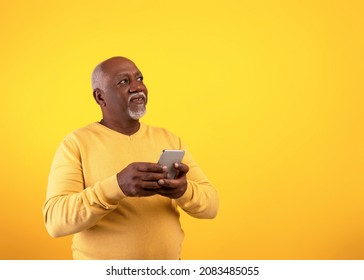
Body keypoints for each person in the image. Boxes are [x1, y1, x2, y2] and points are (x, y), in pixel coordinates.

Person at [43, 56, 219, 260]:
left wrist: (183, 190)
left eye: (140, 78)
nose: (137, 87)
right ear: (100, 97)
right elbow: (55, 222)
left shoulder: (169, 139)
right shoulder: (75, 143)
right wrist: (117, 187)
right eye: (124, 81)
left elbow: (211, 206)